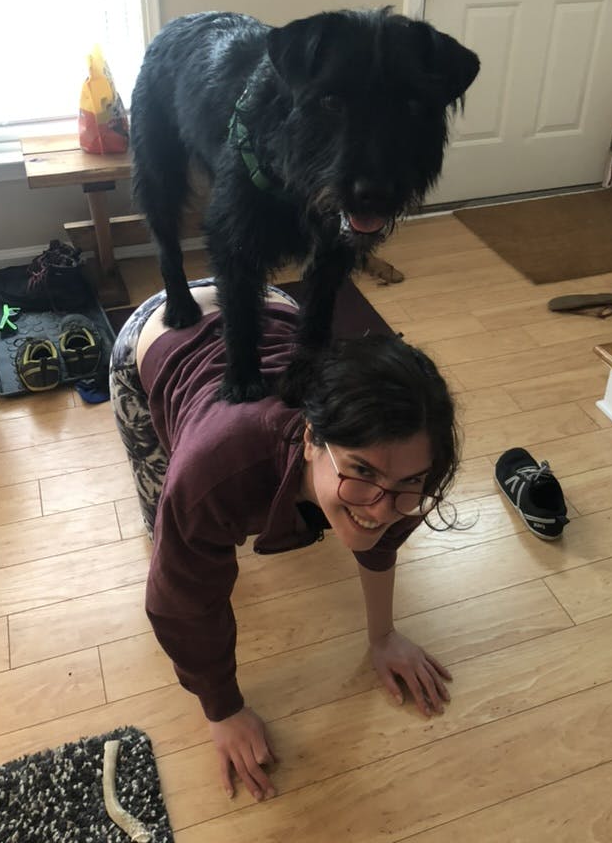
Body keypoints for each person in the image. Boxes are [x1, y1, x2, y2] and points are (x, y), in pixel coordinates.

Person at [110, 279, 461, 803]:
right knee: (171, 525)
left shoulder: (408, 469)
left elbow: (381, 532)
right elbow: (181, 602)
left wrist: (383, 636)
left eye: (409, 483)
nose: (382, 505)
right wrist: (223, 709)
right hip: (161, 332)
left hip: (270, 304)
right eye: (361, 469)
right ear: (310, 437)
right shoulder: (213, 469)